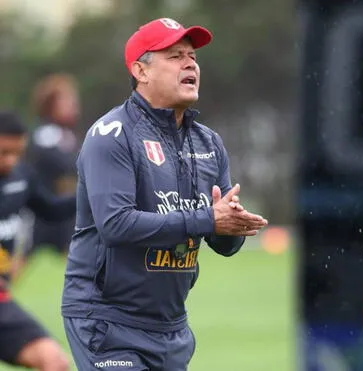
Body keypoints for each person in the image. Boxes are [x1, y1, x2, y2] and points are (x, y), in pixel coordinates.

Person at [61, 17, 269, 370]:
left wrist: (232, 226)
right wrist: (207, 218)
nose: (190, 63)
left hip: (171, 329)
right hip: (108, 322)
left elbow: (222, 241)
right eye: (174, 56)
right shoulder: (112, 135)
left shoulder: (208, 143)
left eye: (193, 56)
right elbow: (116, 225)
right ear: (141, 71)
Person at [0, 111, 74, 371]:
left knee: (54, 361)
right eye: (3, 152)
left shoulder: (21, 177)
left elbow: (51, 210)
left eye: (17, 153)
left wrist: (94, 194)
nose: (10, 161)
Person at [26, 73, 81, 257]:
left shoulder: (68, 135)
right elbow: (68, 165)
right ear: (50, 105)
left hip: (65, 212)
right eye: (68, 102)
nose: (74, 108)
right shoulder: (45, 134)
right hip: (43, 215)